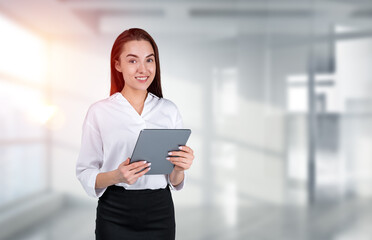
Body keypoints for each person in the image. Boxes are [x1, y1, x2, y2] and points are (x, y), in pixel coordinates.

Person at [76, 28, 194, 240]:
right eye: (133, 61)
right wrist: (117, 176)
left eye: (149, 60)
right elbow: (85, 172)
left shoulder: (169, 110)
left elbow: (174, 181)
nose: (143, 69)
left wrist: (180, 168)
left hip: (160, 211)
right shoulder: (99, 111)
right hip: (115, 211)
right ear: (117, 64)